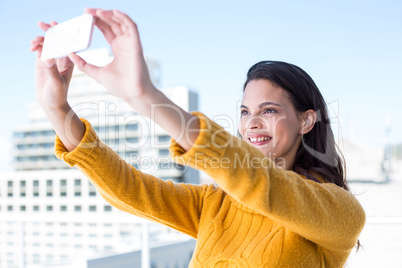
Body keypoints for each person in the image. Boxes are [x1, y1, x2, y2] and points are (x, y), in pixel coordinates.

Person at [30, 8, 365, 267]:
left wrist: (145, 97)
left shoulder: (340, 212)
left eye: (270, 110)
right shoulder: (214, 205)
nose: (252, 124)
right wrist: (56, 110)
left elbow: (262, 183)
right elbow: (129, 188)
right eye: (245, 112)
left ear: (307, 121)